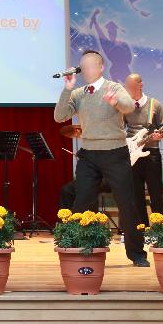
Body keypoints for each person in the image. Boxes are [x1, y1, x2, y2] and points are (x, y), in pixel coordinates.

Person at [54, 50, 149, 266]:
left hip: (115, 152)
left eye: (90, 66)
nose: (85, 70)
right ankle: (81, 246)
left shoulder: (113, 87)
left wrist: (115, 101)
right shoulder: (78, 93)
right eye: (82, 67)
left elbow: (128, 106)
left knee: (127, 203)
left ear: (100, 67)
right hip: (88, 154)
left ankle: (137, 254)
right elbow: (59, 116)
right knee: (82, 201)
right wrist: (66, 90)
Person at [123, 73, 163, 226]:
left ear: (140, 85)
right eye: (126, 86)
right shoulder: (125, 106)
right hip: (132, 155)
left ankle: (159, 229)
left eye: (130, 85)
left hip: (151, 154)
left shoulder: (155, 104)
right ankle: (142, 228)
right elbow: (120, 128)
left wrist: (159, 135)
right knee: (136, 195)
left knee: (156, 193)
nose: (127, 88)